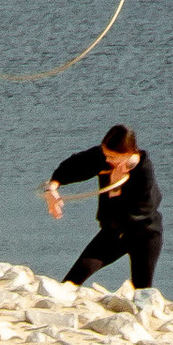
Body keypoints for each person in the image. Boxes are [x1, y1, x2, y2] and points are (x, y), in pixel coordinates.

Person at [45, 123, 163, 289]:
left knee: (142, 291)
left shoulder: (144, 170)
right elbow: (73, 165)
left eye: (112, 157)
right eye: (106, 154)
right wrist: (52, 187)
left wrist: (114, 188)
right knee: (70, 283)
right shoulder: (104, 158)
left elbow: (139, 212)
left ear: (128, 154)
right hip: (113, 232)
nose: (107, 160)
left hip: (144, 234)